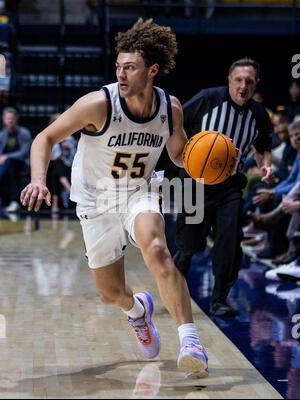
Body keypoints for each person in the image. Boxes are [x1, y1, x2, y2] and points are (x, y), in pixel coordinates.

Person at [20, 18, 209, 378]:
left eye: (130, 67)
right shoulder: (98, 104)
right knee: (110, 294)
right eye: (118, 67)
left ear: (152, 70)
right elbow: (44, 138)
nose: (121, 74)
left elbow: (181, 155)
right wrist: (38, 180)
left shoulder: (170, 109)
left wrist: (205, 166)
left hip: (140, 190)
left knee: (156, 249)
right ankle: (137, 310)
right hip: (96, 198)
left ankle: (190, 341)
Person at [174, 58, 273, 317]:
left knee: (229, 241)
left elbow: (264, 148)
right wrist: (184, 155)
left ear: (256, 85)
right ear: (229, 80)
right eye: (238, 80)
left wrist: (266, 166)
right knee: (187, 246)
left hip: (230, 186)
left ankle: (219, 299)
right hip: (193, 183)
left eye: (249, 82)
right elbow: (175, 122)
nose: (243, 86)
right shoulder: (207, 99)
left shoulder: (260, 115)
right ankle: (173, 287)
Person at [0, 106, 31, 212]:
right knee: (9, 169)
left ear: (16, 119)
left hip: (21, 162)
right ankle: (13, 202)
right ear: (4, 120)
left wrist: (7, 157)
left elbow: (24, 152)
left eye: (12, 118)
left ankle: (13, 201)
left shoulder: (24, 133)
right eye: (8, 119)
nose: (10, 121)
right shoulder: (2, 134)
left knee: (9, 163)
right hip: (6, 165)